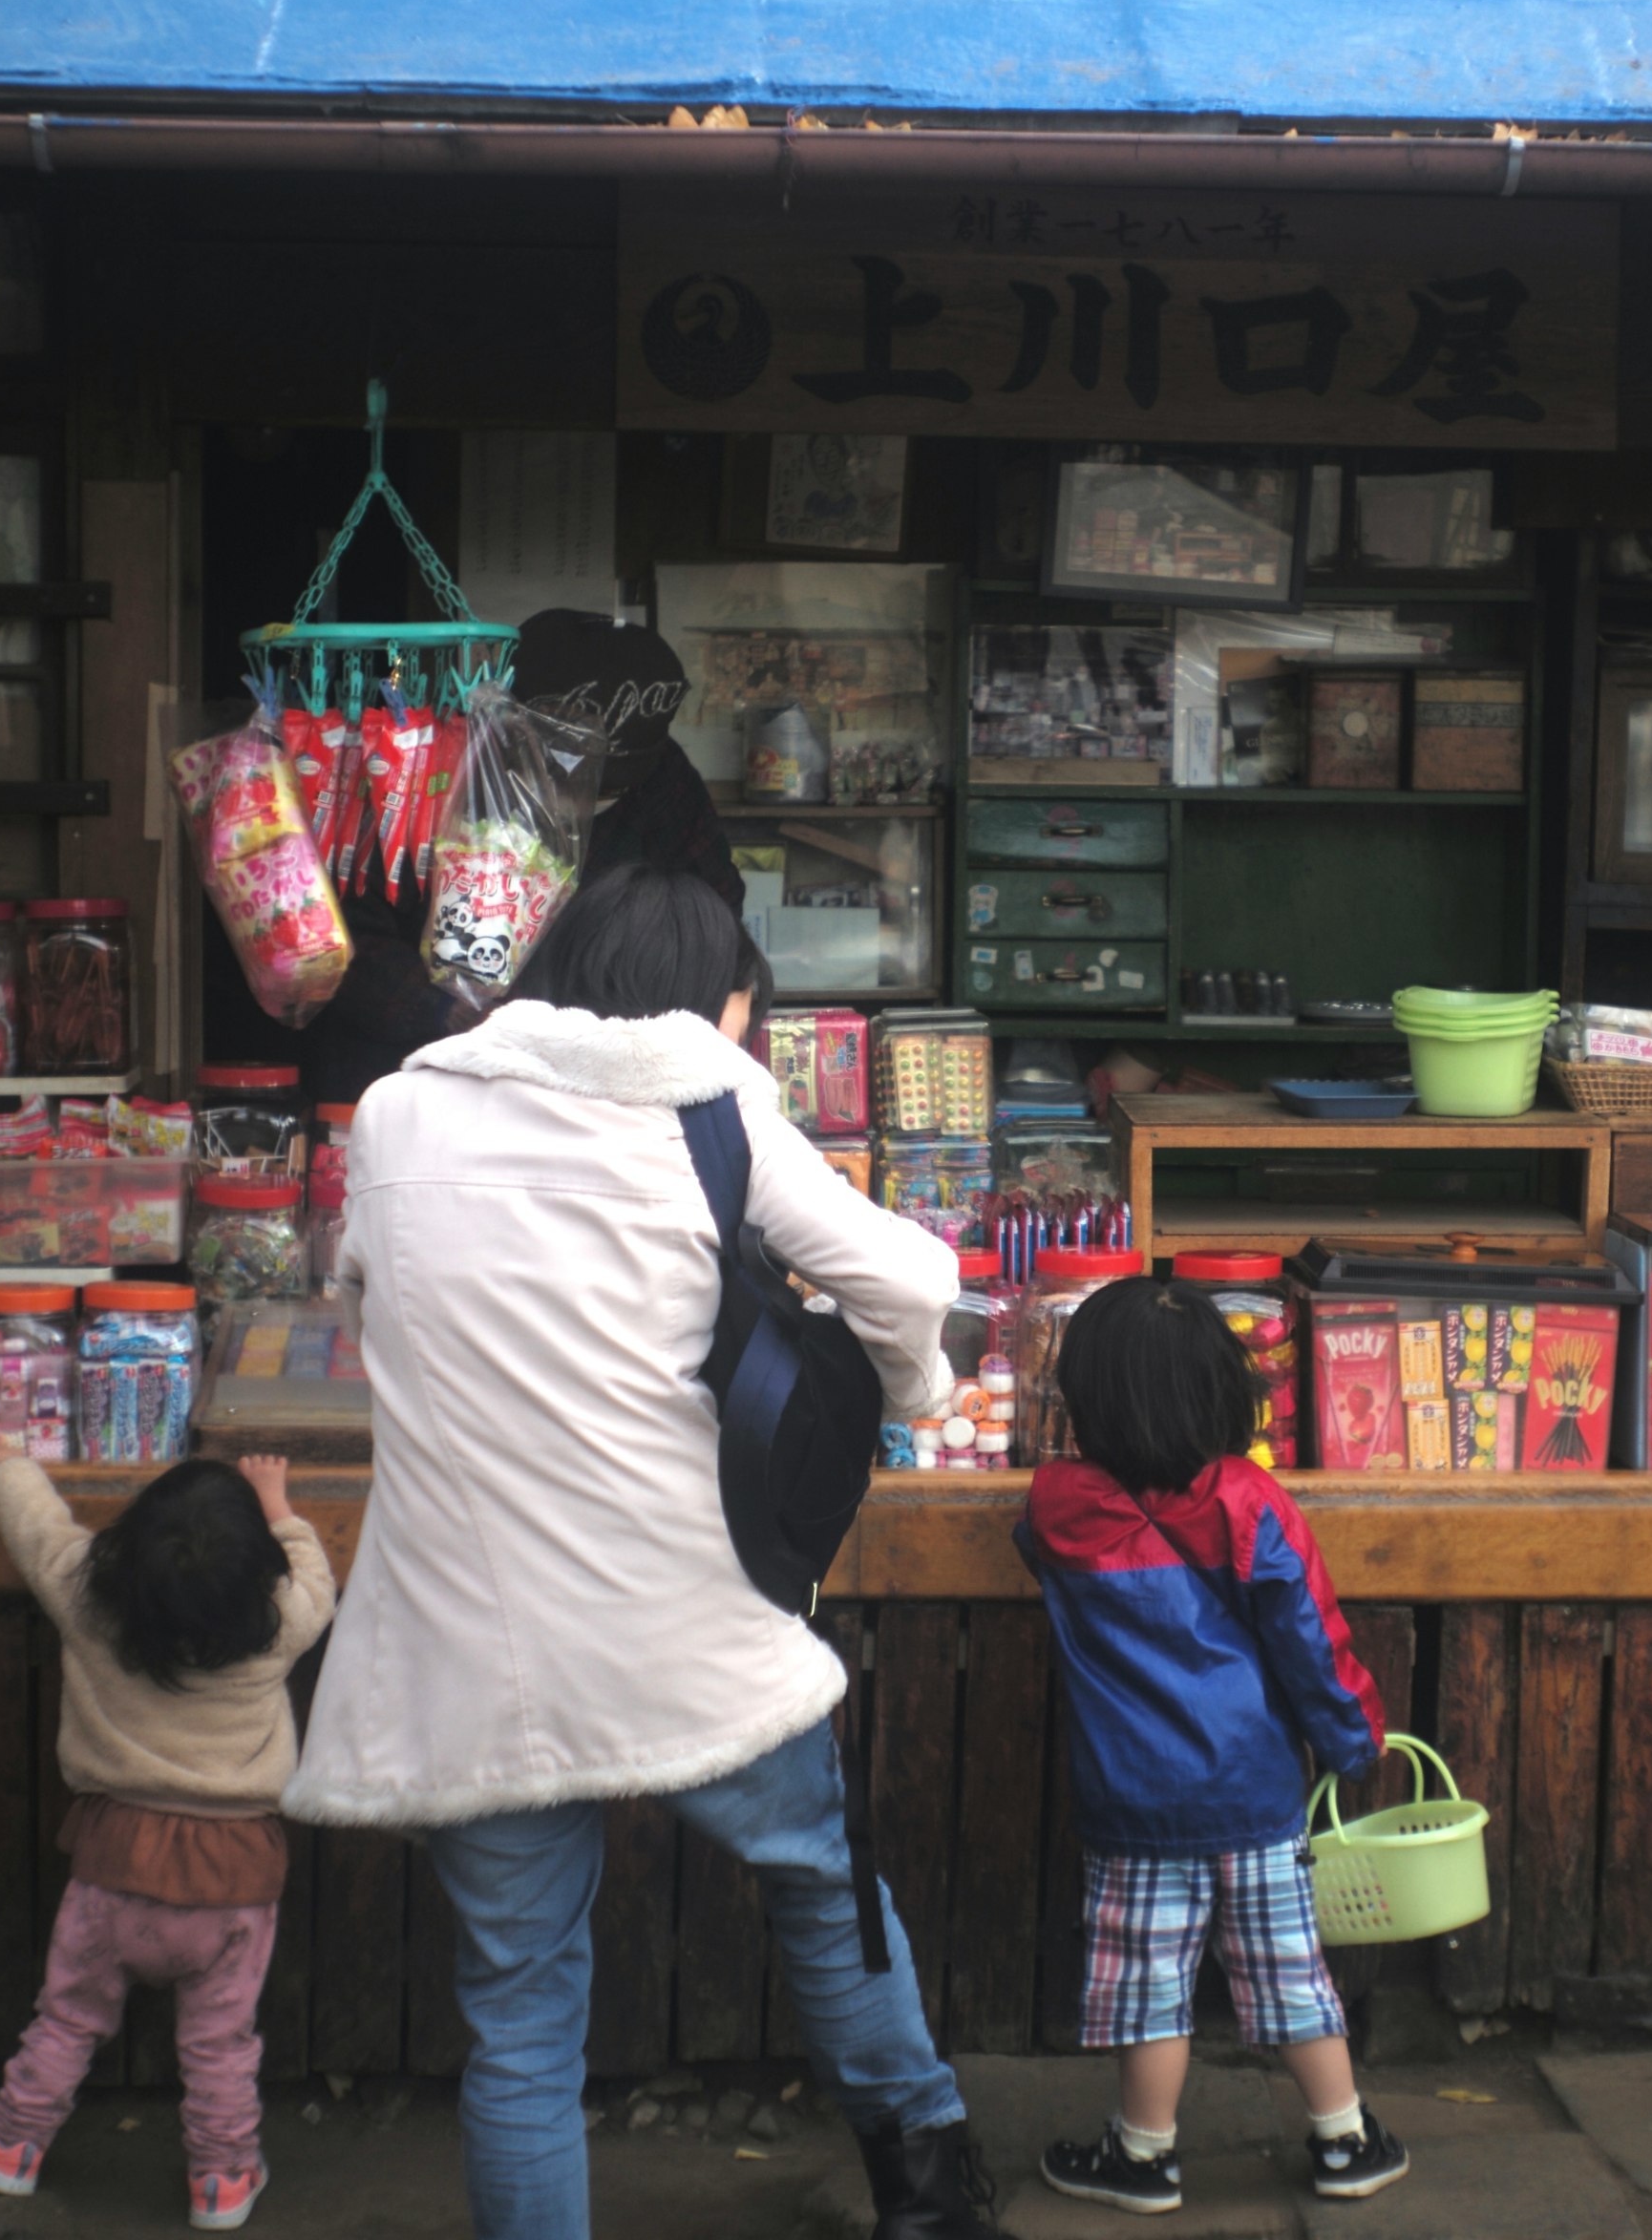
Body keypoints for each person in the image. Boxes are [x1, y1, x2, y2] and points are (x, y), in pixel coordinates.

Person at [285, 862, 999, 2240]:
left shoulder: (395, 1110)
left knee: (521, 2022)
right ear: (716, 1004)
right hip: (686, 1626)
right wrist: (913, 1394)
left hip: (466, 1641)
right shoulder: (710, 1099)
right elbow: (908, 1282)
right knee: (820, 1883)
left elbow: (362, 1287)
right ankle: (928, 2196)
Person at [1017, 1278, 1409, 2216]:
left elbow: (1037, 1540)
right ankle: (1345, 2137)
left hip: (1132, 1803)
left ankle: (1144, 2156)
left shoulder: (1056, 1507)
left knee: (1149, 1985)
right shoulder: (1250, 1499)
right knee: (1289, 1969)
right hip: (1256, 1793)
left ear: (1087, 1399)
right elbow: (1314, 1643)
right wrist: (1358, 1740)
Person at [0, 1448, 335, 2233]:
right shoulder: (275, 1623)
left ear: (128, 1549)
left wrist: (5, 1463)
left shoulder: (88, 1599)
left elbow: (37, 1528)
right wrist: (276, 1503)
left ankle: (12, 2144)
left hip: (115, 1862)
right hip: (235, 1877)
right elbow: (317, 1584)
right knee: (221, 2042)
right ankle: (223, 2181)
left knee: (67, 2017)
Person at [300, 606, 740, 1114]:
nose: (584, 797)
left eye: (608, 785)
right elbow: (340, 934)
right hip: (415, 1072)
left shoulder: (663, 780)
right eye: (563, 768)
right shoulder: (423, 764)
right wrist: (450, 1011)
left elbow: (715, 910)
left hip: (605, 1079)